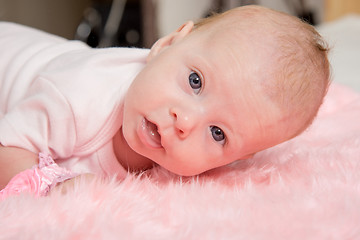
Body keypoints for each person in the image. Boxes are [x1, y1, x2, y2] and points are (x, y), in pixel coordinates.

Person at [0, 5, 330, 195]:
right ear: (168, 44)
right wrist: (50, 188)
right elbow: (7, 146)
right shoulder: (77, 96)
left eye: (218, 133)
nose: (185, 121)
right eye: (195, 81)